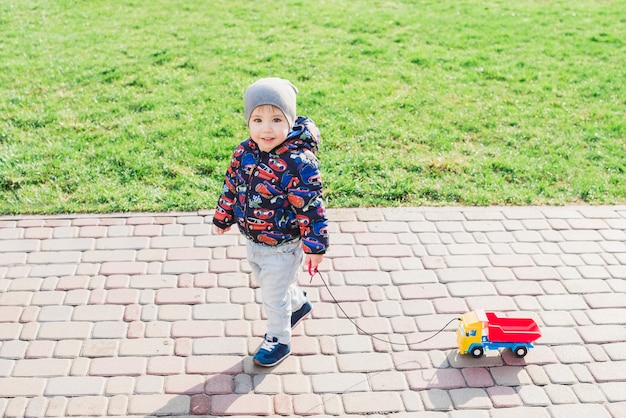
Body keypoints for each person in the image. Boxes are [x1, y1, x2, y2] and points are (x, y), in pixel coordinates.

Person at [212, 77, 329, 367]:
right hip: (254, 239)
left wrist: (316, 247)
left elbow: (311, 207)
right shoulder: (244, 152)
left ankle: (279, 340)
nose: (267, 128)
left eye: (277, 119)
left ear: (290, 121)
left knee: (272, 294)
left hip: (284, 245)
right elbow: (232, 186)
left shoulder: (298, 162)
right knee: (266, 280)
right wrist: (223, 216)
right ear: (248, 122)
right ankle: (299, 304)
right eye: (258, 119)